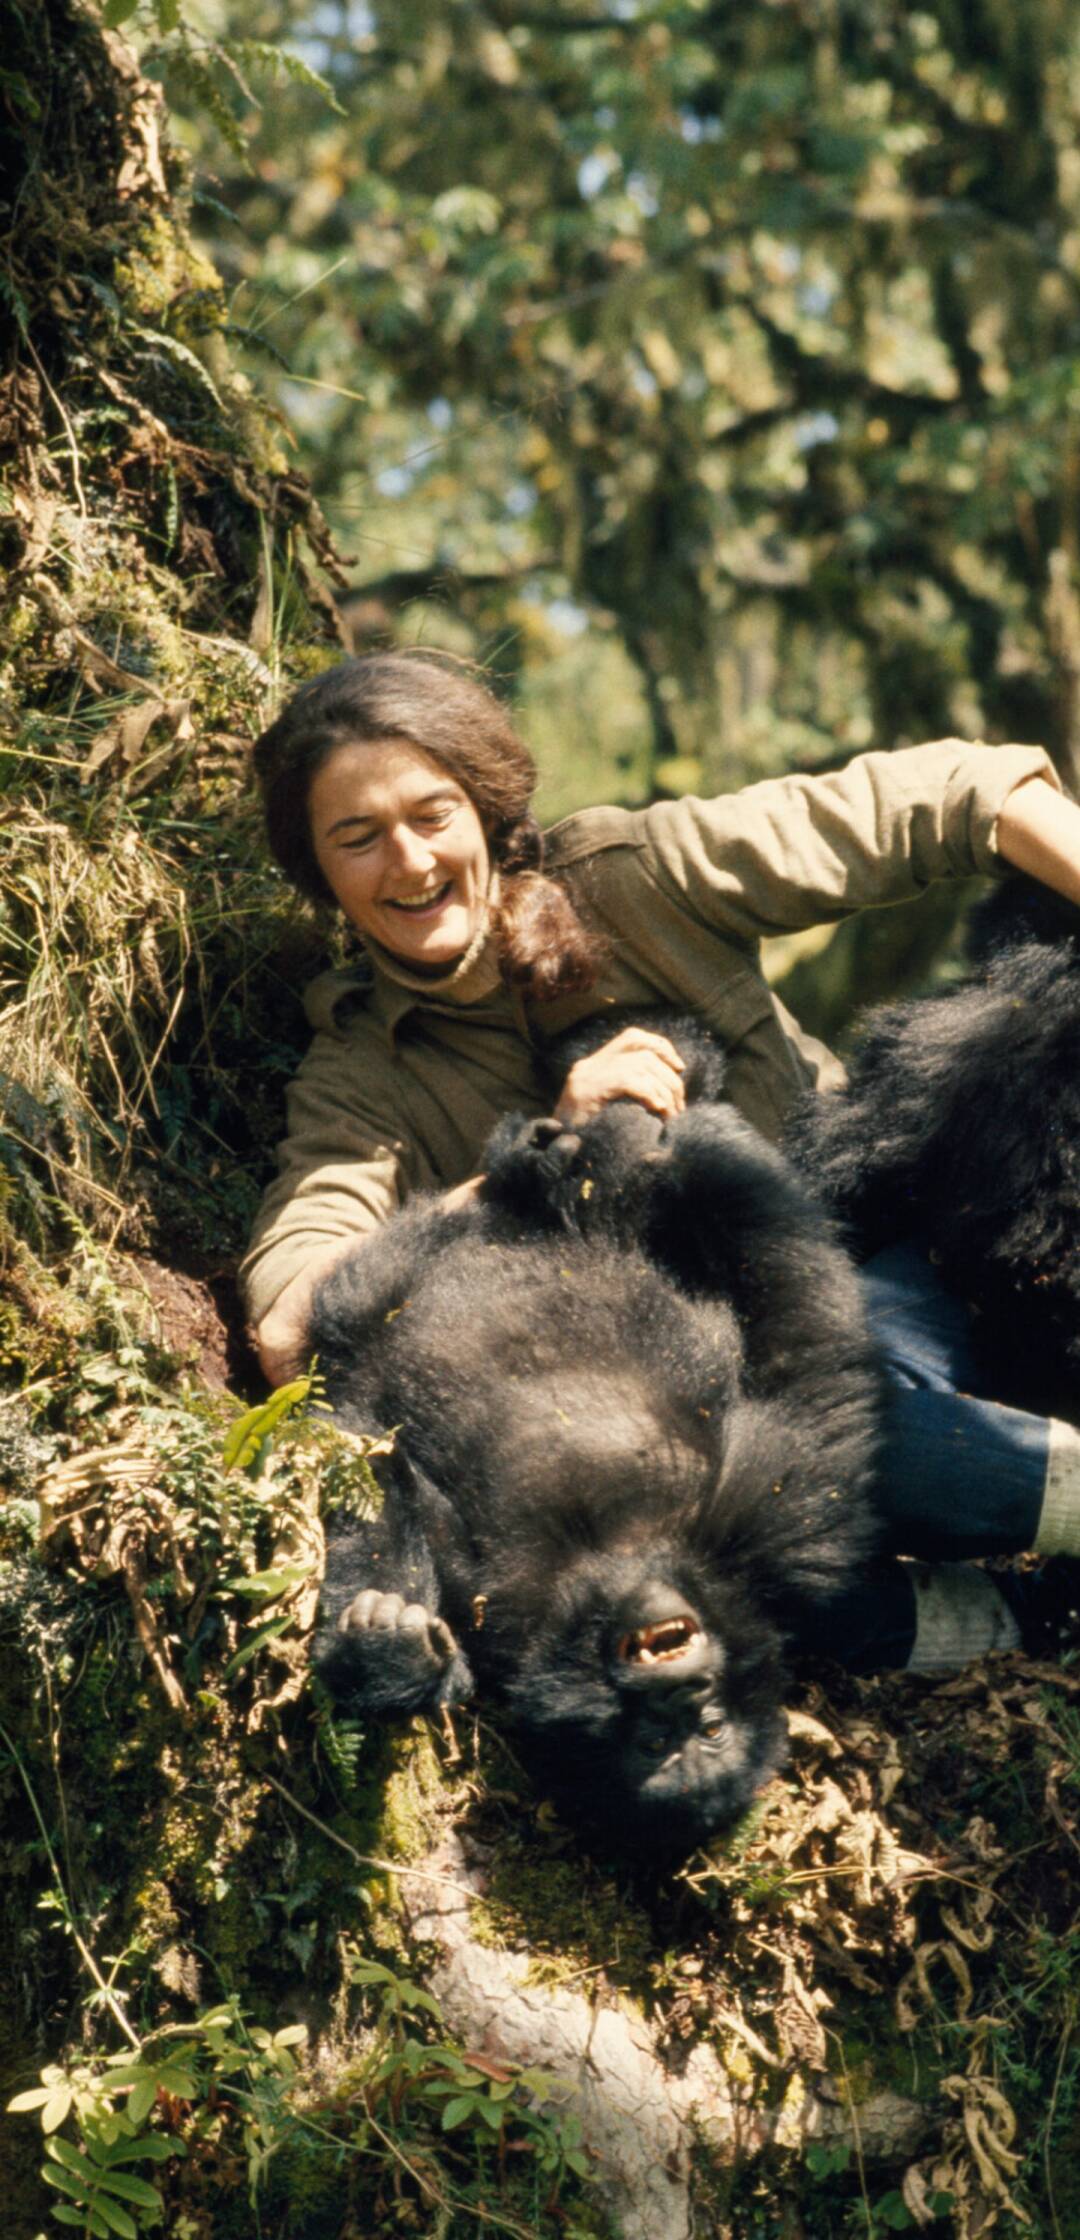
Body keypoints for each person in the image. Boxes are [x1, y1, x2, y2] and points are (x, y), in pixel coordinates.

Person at [242, 651, 1080, 1675]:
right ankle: (1023, 1614)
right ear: (318, 871)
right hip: (740, 1384)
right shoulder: (361, 1067)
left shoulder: (630, 876)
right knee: (796, 1508)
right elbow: (289, 1317)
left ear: (486, 807)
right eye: (358, 838)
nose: (409, 862)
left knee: (1029, 1032)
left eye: (431, 814)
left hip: (909, 1233)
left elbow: (965, 794)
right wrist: (537, 1159)